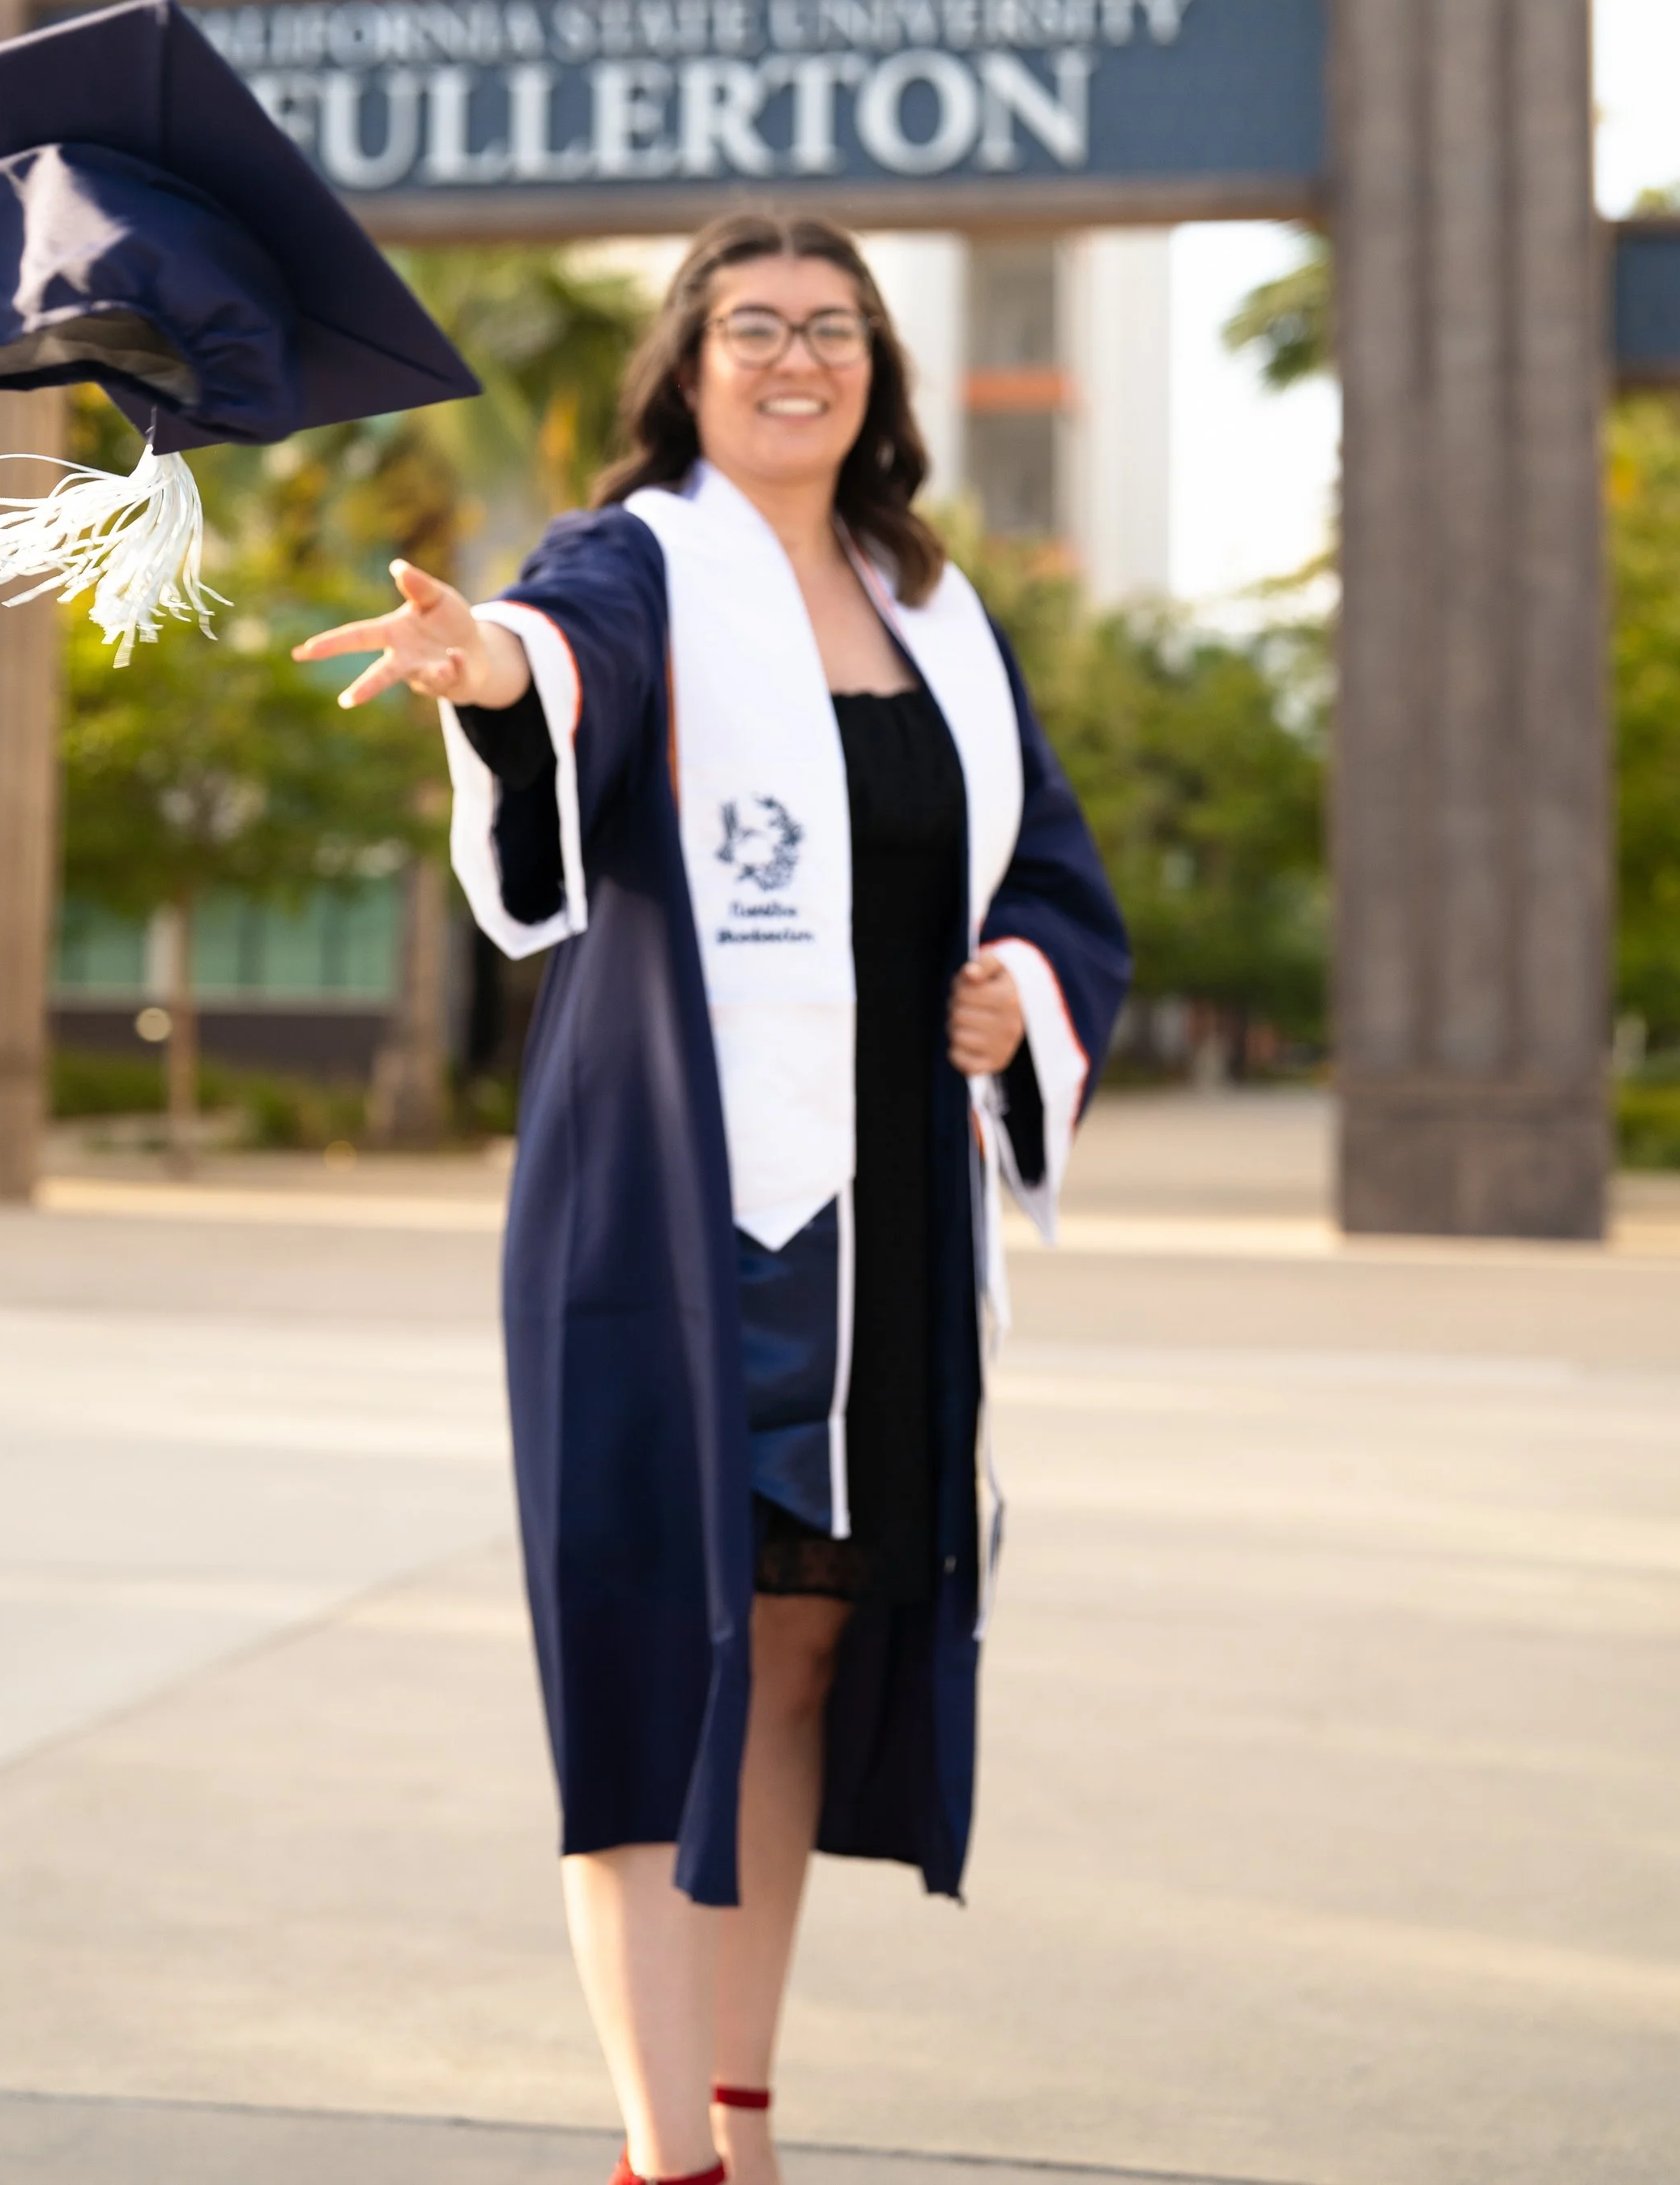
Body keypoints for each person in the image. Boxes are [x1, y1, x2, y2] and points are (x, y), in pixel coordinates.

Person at [294, 212, 1128, 2185]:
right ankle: (666, 2156)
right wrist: (484, 663)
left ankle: (743, 2119)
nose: (793, 355)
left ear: (877, 372)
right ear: (685, 363)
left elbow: (1051, 876)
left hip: (890, 1218)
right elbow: (558, 653)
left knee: (808, 1650)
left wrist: (1027, 991)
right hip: (681, 1203)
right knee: (667, 1652)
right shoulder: (639, 556)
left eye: (832, 326)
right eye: (751, 323)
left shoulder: (935, 608)